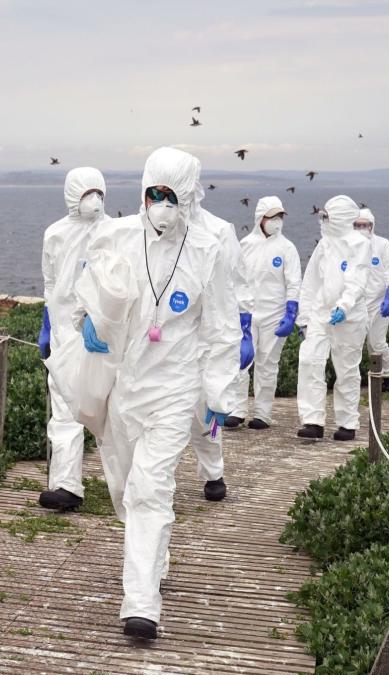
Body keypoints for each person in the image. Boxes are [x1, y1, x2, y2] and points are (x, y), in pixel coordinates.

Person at [79, 147, 239, 641]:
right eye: (155, 194)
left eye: (172, 196)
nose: (161, 204)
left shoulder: (207, 249)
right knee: (125, 490)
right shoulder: (118, 236)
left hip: (174, 386)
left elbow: (219, 326)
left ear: (189, 197)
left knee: (151, 488)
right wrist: (85, 321)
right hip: (125, 385)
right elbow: (84, 289)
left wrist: (218, 394)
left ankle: (141, 603)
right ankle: (154, 553)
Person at [38, 167, 110, 511]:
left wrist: (103, 319)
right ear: (71, 195)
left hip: (102, 334)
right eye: (86, 192)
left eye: (98, 192)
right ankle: (66, 485)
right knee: (64, 408)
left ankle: (126, 482)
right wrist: (47, 323)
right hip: (65, 334)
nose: (93, 199)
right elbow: (50, 283)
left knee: (110, 408)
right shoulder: (54, 234)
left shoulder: (115, 232)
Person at [188, 187, 254, 501]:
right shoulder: (146, 230)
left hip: (212, 335)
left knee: (209, 409)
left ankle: (213, 473)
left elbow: (238, 281)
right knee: (158, 411)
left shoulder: (218, 230)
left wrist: (245, 328)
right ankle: (154, 480)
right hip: (166, 338)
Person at [295, 195, 372, 440]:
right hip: (321, 312)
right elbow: (311, 282)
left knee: (346, 368)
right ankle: (312, 420)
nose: (323, 221)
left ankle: (347, 422)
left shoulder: (359, 243)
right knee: (309, 361)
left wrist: (344, 306)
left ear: (339, 217)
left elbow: (357, 279)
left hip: (348, 316)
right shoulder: (325, 244)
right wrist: (304, 317)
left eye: (327, 217)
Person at [231, 196, 301, 430]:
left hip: (274, 314)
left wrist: (291, 313)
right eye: (272, 217)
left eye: (280, 216)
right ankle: (237, 410)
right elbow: (236, 280)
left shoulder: (287, 248)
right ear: (260, 218)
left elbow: (293, 283)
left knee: (268, 364)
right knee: (241, 361)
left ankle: (262, 413)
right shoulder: (244, 245)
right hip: (247, 314)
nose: (277, 221)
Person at [353, 208, 389, 393]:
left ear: (372, 226)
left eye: (365, 225)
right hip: (357, 303)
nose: (361, 228)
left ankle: (388, 375)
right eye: (357, 225)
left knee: (377, 343)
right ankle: (360, 378)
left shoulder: (382, 245)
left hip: (380, 303)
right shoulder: (349, 245)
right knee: (355, 343)